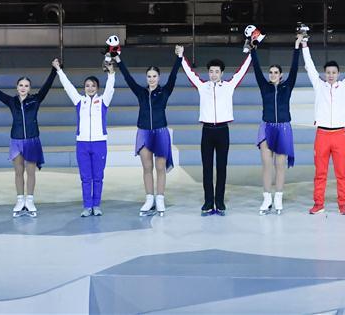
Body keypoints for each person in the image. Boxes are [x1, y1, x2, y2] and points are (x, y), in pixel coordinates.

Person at [0, 59, 57, 217]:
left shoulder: (36, 99)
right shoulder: (11, 101)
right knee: (18, 172)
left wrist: (54, 70)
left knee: (31, 172)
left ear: (29, 88)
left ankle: (30, 200)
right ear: (17, 87)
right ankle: (20, 200)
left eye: (26, 85)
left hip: (32, 140)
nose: (23, 88)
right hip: (16, 140)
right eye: (21, 85)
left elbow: (47, 86)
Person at [180, 46, 252, 216]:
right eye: (211, 71)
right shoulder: (202, 86)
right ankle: (207, 202)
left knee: (221, 168)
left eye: (216, 71)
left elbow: (242, 71)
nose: (213, 74)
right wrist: (181, 56)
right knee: (206, 168)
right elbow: (189, 72)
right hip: (207, 131)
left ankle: (219, 202)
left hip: (222, 131)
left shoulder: (229, 86)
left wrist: (251, 53)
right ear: (208, 73)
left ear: (221, 73)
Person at [302, 31, 345, 215]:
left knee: (341, 173)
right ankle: (318, 203)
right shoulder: (319, 84)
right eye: (328, 72)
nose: (330, 75)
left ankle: (343, 204)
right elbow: (310, 67)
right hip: (322, 134)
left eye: (334, 73)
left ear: (338, 74)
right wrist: (305, 47)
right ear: (325, 73)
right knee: (320, 173)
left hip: (339, 135)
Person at [115, 46, 182, 217]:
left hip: (160, 132)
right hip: (144, 133)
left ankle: (160, 198)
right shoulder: (141, 92)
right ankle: (149, 198)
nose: (152, 79)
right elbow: (128, 78)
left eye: (154, 76)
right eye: (149, 76)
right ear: (146, 78)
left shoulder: (165, 91)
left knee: (160, 168)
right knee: (147, 167)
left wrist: (179, 58)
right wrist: (119, 60)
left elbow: (174, 76)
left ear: (159, 78)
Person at [54, 57, 115, 217]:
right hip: (82, 144)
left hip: (99, 143)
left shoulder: (103, 101)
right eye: (87, 86)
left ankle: (97, 205)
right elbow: (68, 87)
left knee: (98, 177)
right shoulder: (79, 101)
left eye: (93, 85)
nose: (90, 88)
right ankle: (87, 206)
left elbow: (110, 88)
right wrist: (59, 70)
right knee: (86, 177)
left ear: (97, 88)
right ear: (84, 88)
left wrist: (111, 73)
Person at [251, 34, 302, 215]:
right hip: (266, 128)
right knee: (267, 164)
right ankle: (267, 198)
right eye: (270, 72)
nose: (272, 75)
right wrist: (253, 51)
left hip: (283, 129)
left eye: (275, 72)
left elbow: (295, 69)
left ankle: (278, 197)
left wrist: (297, 48)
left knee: (280, 165)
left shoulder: (287, 87)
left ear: (281, 75)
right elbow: (256, 69)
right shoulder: (264, 86)